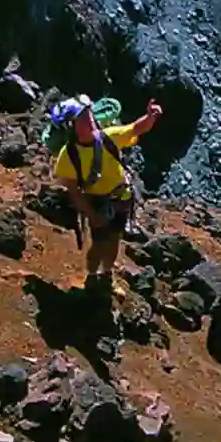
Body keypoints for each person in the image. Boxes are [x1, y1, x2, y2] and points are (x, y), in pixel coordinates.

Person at [51, 94, 162, 293]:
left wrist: (150, 118)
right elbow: (74, 191)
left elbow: (135, 128)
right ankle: (93, 277)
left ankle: (107, 273)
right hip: (97, 203)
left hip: (121, 198)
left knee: (114, 239)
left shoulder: (108, 137)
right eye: (84, 118)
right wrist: (91, 214)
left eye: (89, 114)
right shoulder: (68, 157)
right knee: (98, 243)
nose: (91, 119)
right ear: (72, 127)